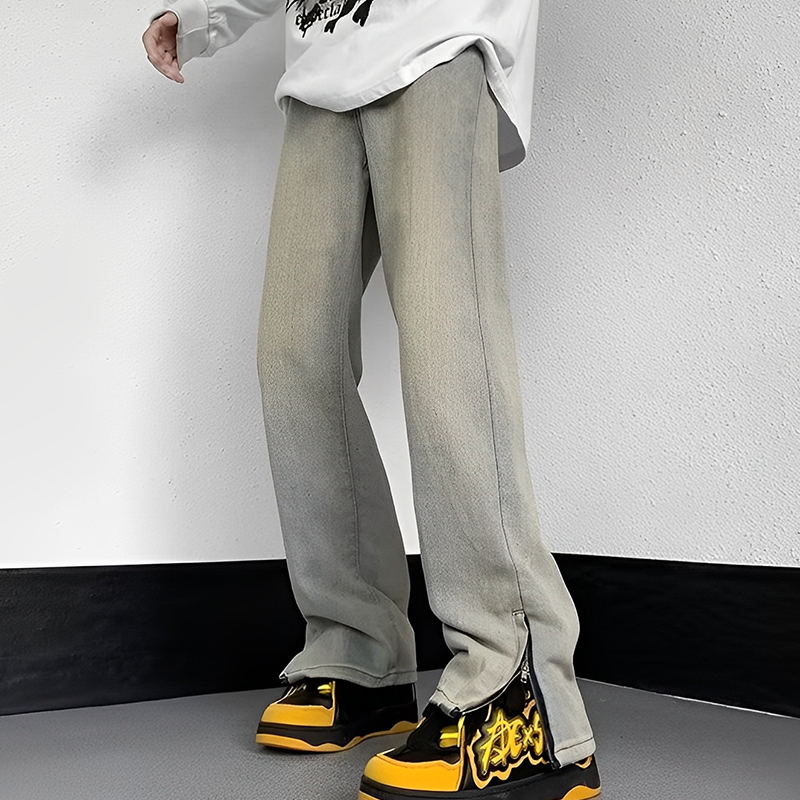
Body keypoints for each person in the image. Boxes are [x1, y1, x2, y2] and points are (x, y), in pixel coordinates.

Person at [142, 3, 600, 799]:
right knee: (295, 357)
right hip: (322, 66)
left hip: (438, 37)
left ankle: (519, 684)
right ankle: (361, 654)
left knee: (449, 341)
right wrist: (207, 18)